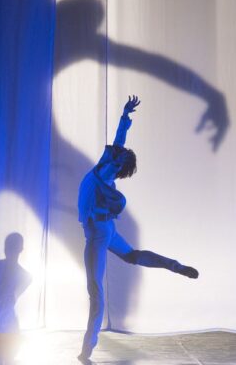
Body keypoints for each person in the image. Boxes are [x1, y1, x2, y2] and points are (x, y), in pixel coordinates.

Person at [78, 95, 199, 363]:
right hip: (105, 231)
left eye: (118, 155)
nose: (115, 150)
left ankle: (87, 349)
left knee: (95, 293)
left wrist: (98, 213)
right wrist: (124, 116)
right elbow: (119, 140)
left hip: (99, 236)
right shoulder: (106, 164)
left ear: (120, 165)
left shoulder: (108, 182)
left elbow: (102, 206)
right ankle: (175, 265)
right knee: (132, 256)